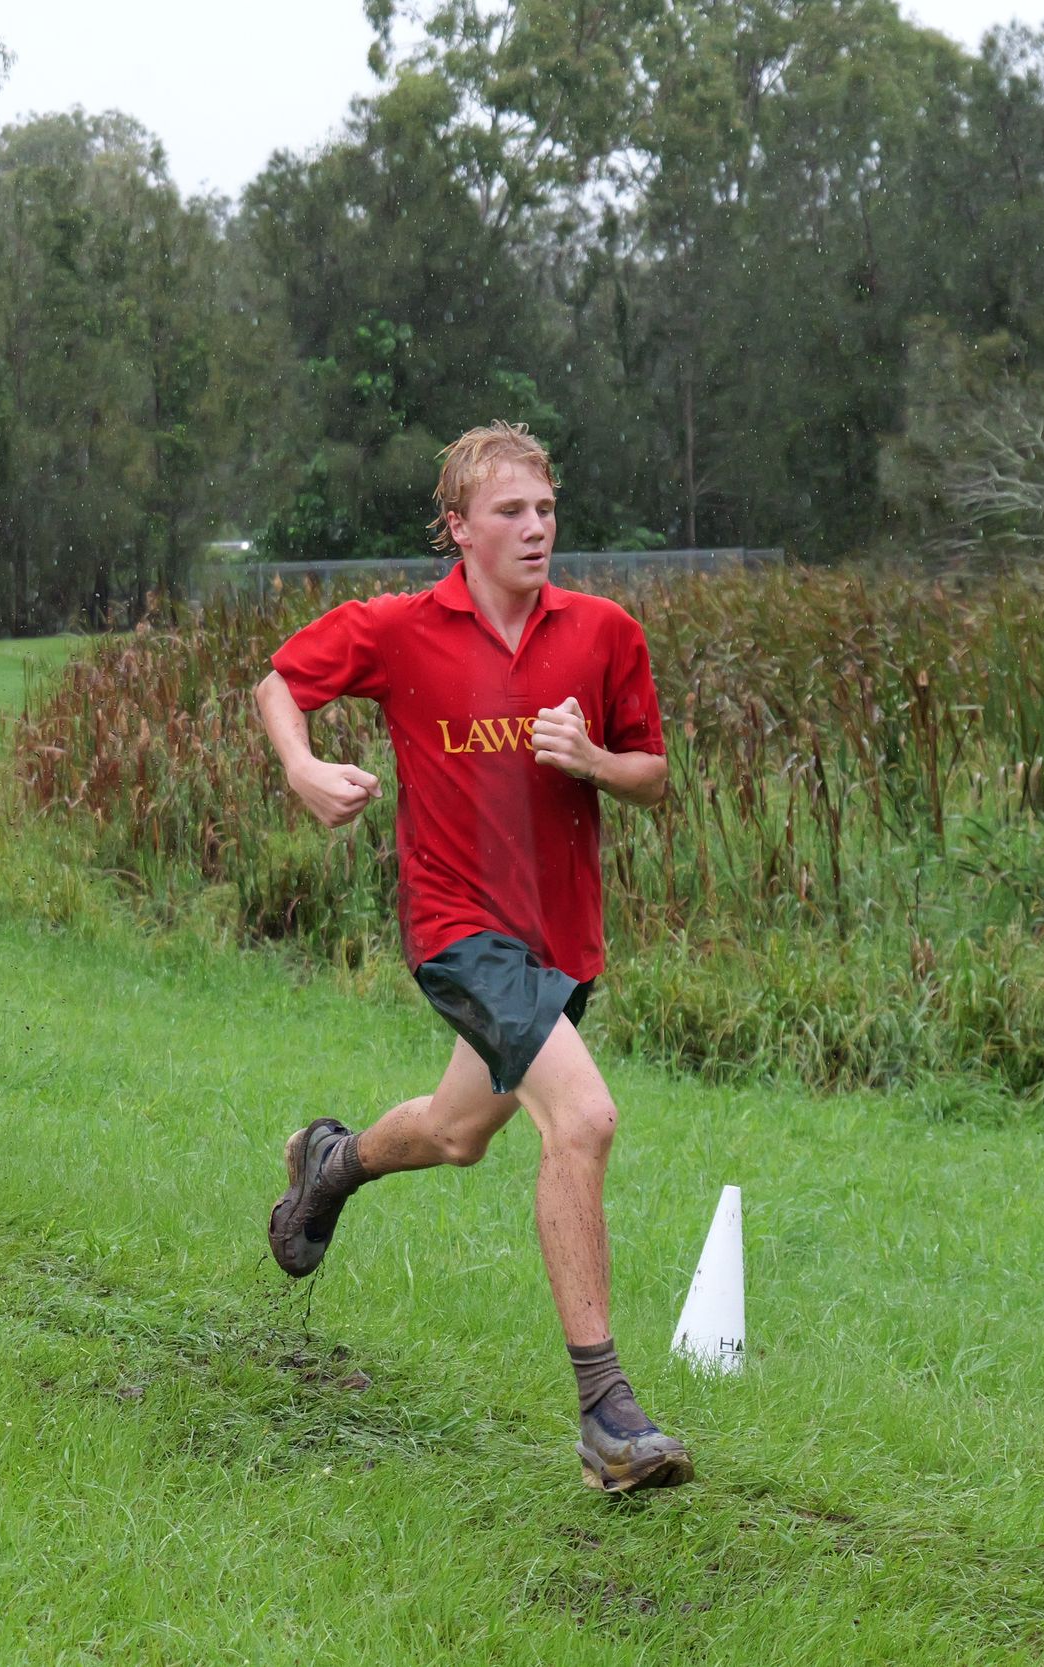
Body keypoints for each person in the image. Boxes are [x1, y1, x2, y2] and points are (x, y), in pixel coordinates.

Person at [255, 422, 692, 1495]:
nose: (536, 528)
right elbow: (278, 684)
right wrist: (303, 768)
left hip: (560, 945)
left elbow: (653, 773)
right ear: (458, 526)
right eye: (510, 511)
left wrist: (594, 759)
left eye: (545, 509)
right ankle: (607, 1417)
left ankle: (332, 1164)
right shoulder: (400, 629)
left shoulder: (604, 632)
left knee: (457, 1133)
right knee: (582, 1119)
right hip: (457, 930)